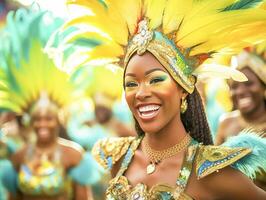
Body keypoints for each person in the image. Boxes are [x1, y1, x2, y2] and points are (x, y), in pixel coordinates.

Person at [49, 1, 266, 199]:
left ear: (183, 89)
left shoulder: (209, 173)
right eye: (131, 84)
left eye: (155, 80)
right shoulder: (118, 157)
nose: (141, 93)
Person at [216, 49, 266, 145]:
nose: (240, 91)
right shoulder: (226, 123)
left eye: (248, 83)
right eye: (234, 87)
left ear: (263, 86)